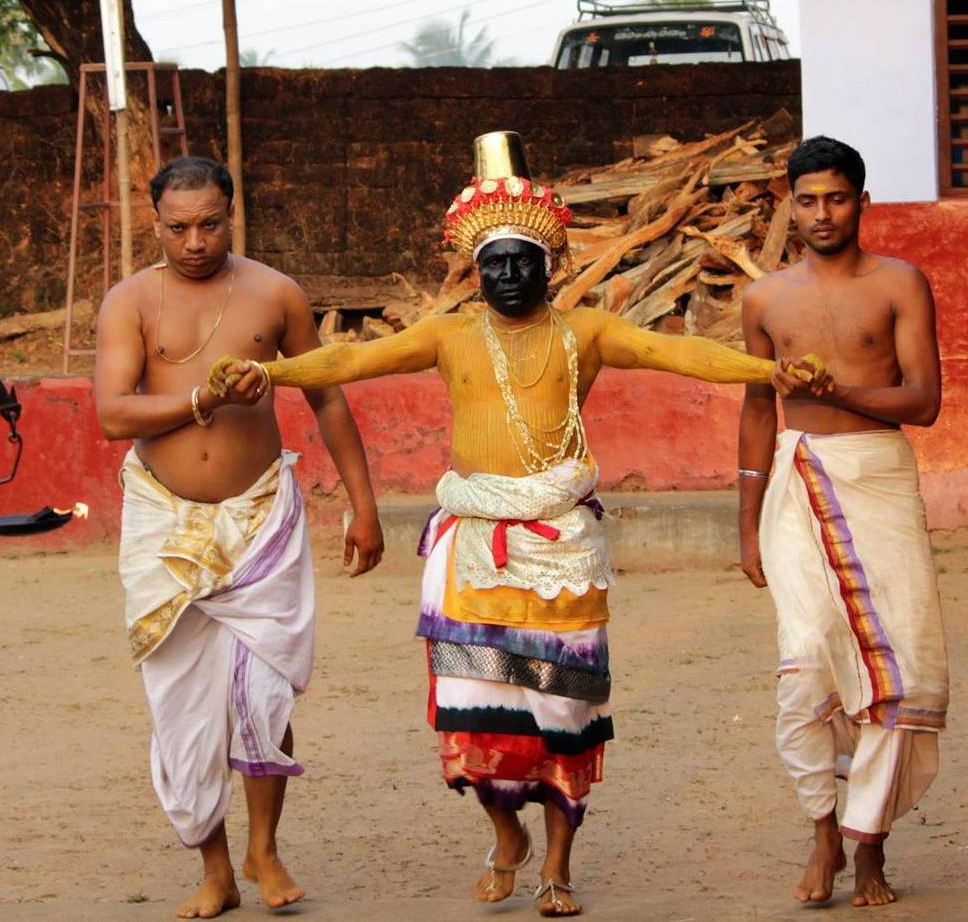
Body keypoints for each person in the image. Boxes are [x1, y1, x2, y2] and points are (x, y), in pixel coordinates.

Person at [211, 132, 825, 918]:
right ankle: (505, 832)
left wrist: (766, 370)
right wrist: (270, 372)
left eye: (522, 260)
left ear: (551, 263)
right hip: (473, 546)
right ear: (474, 268)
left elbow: (680, 355)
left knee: (565, 712)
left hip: (562, 546)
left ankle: (559, 862)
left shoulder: (587, 333)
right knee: (473, 707)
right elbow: (346, 364)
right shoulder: (450, 334)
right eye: (492, 262)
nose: (506, 274)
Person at [94, 156, 384, 920]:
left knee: (266, 684)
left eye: (210, 223)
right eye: (179, 226)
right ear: (154, 223)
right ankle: (216, 868)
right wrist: (201, 397)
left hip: (260, 514)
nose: (195, 240)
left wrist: (364, 502)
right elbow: (113, 413)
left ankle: (266, 847)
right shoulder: (130, 302)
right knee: (184, 703)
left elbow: (326, 397)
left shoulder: (275, 293)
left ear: (233, 213)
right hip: (165, 520)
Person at [739, 135, 949, 909]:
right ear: (788, 204)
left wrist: (839, 390)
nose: (821, 213)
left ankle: (871, 846)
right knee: (804, 663)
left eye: (836, 197)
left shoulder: (900, 283)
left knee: (896, 671)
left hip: (878, 480)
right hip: (796, 487)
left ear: (862, 200)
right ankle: (824, 829)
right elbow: (758, 407)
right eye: (807, 199)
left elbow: (922, 401)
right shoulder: (764, 299)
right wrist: (745, 517)